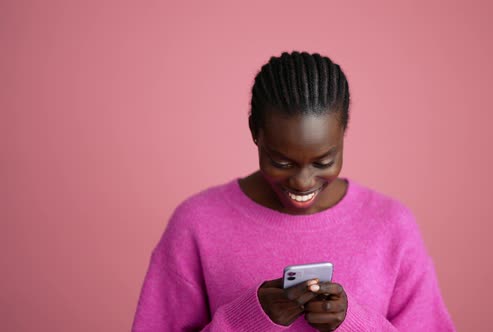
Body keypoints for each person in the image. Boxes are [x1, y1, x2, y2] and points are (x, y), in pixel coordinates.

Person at [132, 51, 456, 331]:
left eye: (323, 161)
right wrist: (250, 319)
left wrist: (351, 322)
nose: (303, 182)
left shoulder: (391, 225)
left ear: (343, 132)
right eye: (282, 162)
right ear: (254, 133)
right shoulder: (197, 223)